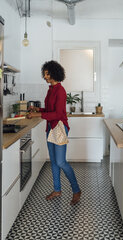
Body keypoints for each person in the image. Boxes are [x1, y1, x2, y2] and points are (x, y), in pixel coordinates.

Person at [26, 60, 81, 205]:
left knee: (61, 161)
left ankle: (76, 190)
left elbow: (57, 114)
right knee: (54, 161)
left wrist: (37, 115)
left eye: (47, 73)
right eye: (44, 74)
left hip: (60, 127)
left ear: (54, 73)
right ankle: (57, 189)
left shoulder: (61, 91)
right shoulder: (50, 89)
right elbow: (50, 111)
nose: (45, 76)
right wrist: (39, 110)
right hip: (50, 128)